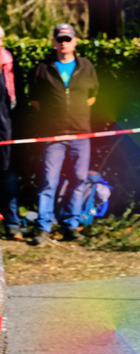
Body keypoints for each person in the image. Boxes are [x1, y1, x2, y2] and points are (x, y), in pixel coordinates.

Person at [27, 23, 98, 245]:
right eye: (60, 39)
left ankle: (71, 225)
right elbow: (35, 100)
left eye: (68, 39)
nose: (63, 43)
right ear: (53, 42)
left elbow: (92, 96)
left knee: (79, 179)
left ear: (75, 41)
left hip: (80, 135)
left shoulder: (86, 67)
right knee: (49, 181)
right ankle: (43, 227)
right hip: (53, 136)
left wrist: (77, 117)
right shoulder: (42, 68)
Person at [0, 26, 21, 239]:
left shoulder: (11, 65)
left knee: (8, 178)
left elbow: (19, 101)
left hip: (6, 132)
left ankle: (12, 223)